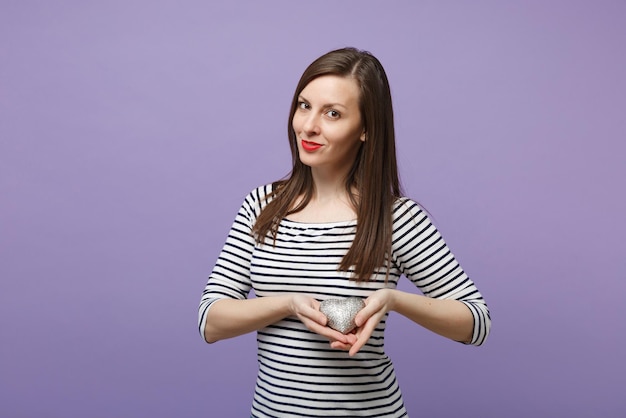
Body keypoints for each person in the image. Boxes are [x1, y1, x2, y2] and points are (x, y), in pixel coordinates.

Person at [198, 47, 491, 417]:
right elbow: (210, 321)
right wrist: (289, 303)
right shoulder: (262, 206)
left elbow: (476, 323)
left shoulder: (394, 218)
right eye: (304, 106)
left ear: (365, 129)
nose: (309, 126)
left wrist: (393, 299)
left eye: (332, 114)